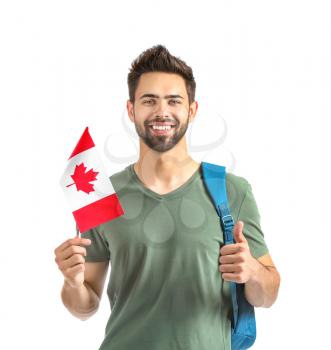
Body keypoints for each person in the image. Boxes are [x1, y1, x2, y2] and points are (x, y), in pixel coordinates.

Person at [54, 44, 281, 350]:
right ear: (132, 109)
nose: (162, 111)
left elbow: (268, 294)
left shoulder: (231, 190)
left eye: (174, 101)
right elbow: (85, 306)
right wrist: (72, 283)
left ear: (192, 110)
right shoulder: (102, 195)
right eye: (149, 101)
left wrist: (252, 272)